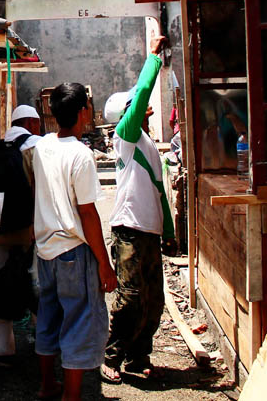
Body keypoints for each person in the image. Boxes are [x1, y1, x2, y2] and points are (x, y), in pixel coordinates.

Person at [32, 83, 117, 401]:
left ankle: (46, 385)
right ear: (84, 112)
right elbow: (88, 214)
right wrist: (104, 264)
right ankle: (71, 394)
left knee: (50, 314)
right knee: (80, 319)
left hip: (46, 250)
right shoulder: (81, 155)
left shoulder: (42, 146)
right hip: (73, 250)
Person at [100, 35, 177, 382]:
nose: (145, 106)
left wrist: (170, 233)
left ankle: (137, 356)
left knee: (153, 301)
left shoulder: (145, 143)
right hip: (129, 229)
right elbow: (143, 93)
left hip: (149, 231)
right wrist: (152, 59)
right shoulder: (125, 136)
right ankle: (111, 358)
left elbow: (160, 193)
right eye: (136, 104)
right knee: (130, 298)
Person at [0, 104, 42, 366]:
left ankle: (3, 350)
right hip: (32, 231)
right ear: (30, 123)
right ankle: (44, 345)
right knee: (39, 286)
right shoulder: (39, 146)